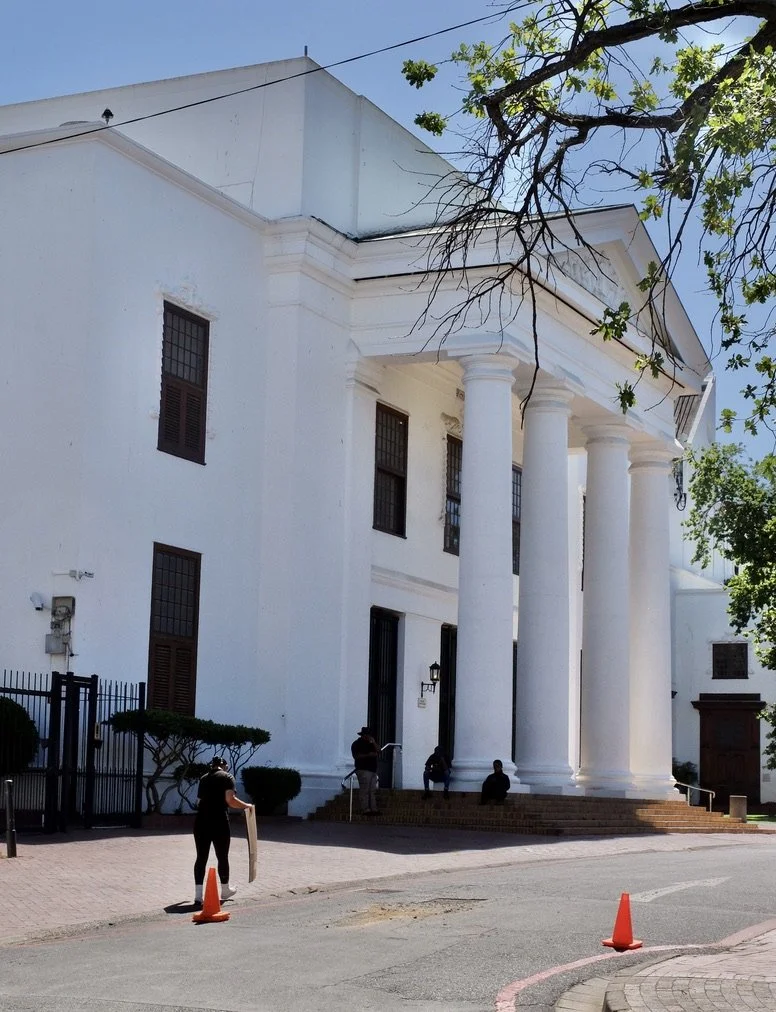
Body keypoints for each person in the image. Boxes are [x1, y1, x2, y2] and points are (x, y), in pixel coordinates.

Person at [193, 755, 253, 905]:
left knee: (201, 857)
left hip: (200, 822)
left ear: (211, 766)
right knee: (222, 856)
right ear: (224, 766)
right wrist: (247, 806)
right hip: (219, 821)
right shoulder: (227, 777)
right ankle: (225, 889)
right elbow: (230, 800)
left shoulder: (203, 778)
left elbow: (199, 801)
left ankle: (198, 896)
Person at [350, 726, 380, 816]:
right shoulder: (356, 744)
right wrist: (368, 755)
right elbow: (356, 756)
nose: (369, 737)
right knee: (365, 790)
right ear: (363, 735)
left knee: (372, 790)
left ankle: (373, 809)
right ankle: (365, 809)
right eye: (367, 735)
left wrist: (374, 743)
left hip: (372, 769)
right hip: (363, 769)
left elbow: (379, 751)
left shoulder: (371, 743)